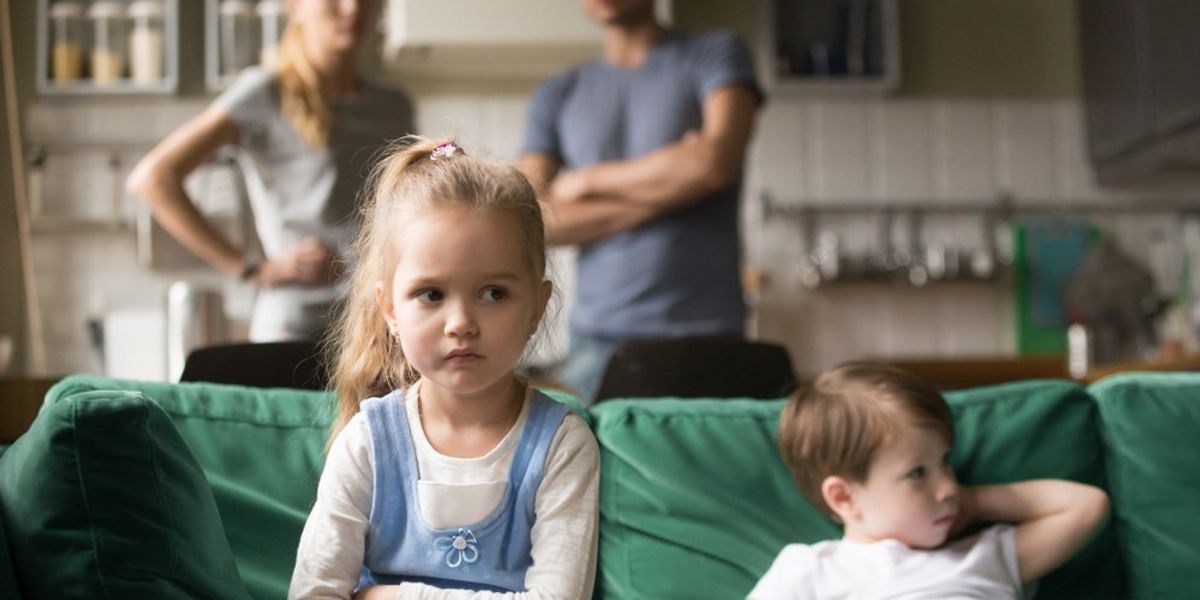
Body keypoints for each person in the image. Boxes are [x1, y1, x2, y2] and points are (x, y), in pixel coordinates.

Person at [289, 138, 600, 599]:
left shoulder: (562, 445)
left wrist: (393, 597)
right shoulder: (367, 443)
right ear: (390, 310)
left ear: (538, 305)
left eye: (493, 293)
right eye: (431, 295)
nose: (461, 324)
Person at [518, 0, 763, 403]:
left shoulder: (717, 53)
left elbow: (715, 163)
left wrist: (586, 181)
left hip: (706, 337)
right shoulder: (558, 92)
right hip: (594, 344)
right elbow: (531, 219)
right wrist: (676, 185)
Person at [127, 0, 413, 342]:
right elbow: (153, 179)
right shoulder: (264, 94)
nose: (352, 8)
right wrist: (251, 269)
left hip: (377, 325)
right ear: (294, 6)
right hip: (296, 327)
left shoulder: (394, 106)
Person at [750, 363, 1110, 599]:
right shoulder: (815, 570)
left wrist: (976, 499)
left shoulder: (983, 556)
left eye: (945, 463)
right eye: (917, 474)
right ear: (844, 497)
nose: (948, 487)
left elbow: (1086, 506)